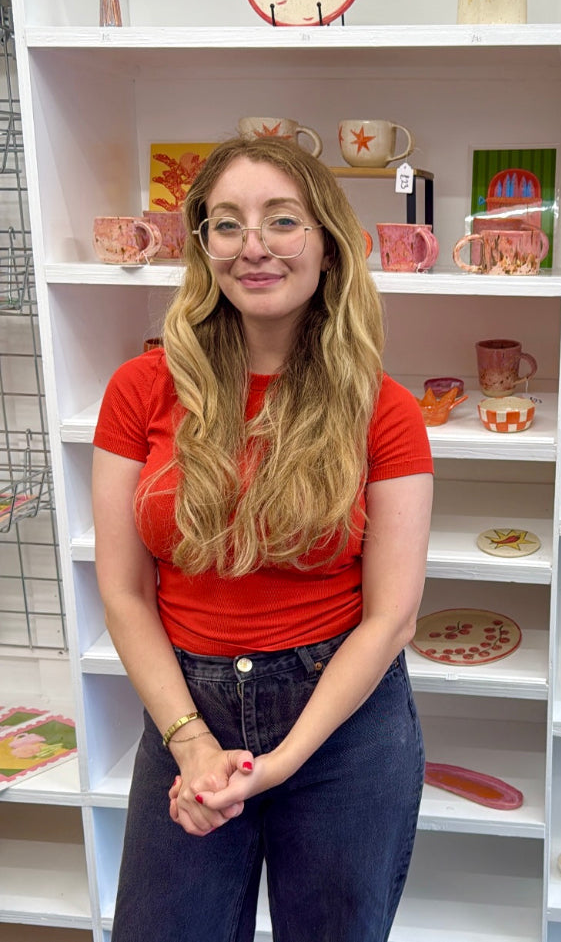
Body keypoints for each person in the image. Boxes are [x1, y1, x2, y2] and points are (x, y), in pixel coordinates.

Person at [91, 136, 433, 942]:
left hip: (344, 725)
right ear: (203, 246)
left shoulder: (384, 410)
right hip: (187, 706)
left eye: (283, 220)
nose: (255, 246)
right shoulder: (138, 391)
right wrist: (194, 743)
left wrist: (278, 761)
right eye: (227, 224)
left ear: (326, 242)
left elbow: (392, 617)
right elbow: (123, 589)